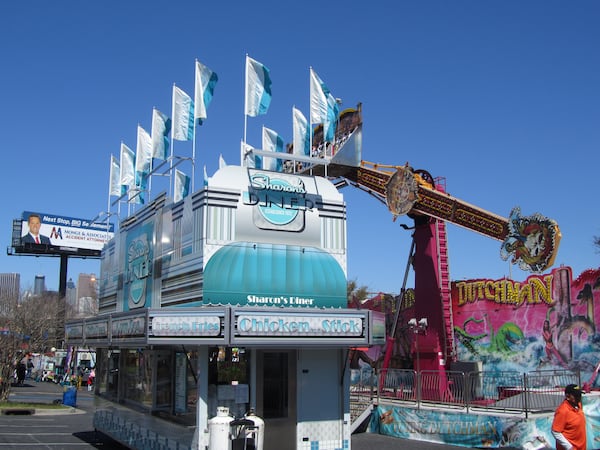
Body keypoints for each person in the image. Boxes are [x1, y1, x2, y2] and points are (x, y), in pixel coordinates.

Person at [551, 384, 587, 450]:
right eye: (576, 396)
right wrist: (569, 447)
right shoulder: (563, 411)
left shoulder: (578, 405)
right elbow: (555, 431)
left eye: (579, 395)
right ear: (567, 396)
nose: (579, 397)